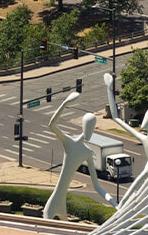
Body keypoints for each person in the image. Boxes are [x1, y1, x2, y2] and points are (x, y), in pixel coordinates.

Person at [44, 92, 115, 221]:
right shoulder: (69, 142)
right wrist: (65, 103)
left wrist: (115, 204)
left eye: (92, 126)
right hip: (54, 200)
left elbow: (97, 187)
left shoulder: (87, 152)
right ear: (83, 126)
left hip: (62, 202)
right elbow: (52, 125)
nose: (90, 129)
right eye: (88, 125)